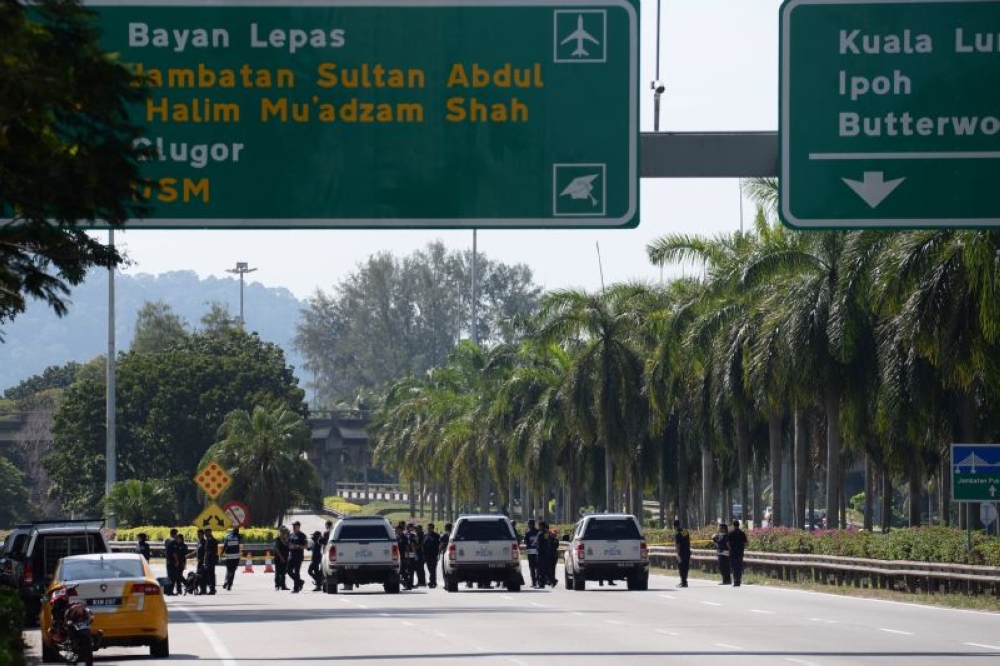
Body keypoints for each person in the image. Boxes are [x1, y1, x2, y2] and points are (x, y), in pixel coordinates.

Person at [287, 521, 307, 593]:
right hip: (292, 555)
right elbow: (288, 543)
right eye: (293, 526)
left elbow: (305, 546)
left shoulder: (302, 535)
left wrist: (297, 546)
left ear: (298, 526)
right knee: (288, 570)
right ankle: (300, 582)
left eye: (295, 526)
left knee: (297, 571)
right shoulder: (291, 535)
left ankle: (296, 588)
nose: (293, 527)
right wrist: (290, 546)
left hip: (298, 556)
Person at [221, 525, 242, 590]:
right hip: (235, 556)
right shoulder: (238, 537)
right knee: (233, 571)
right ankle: (229, 584)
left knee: (228, 570)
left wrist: (221, 554)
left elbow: (224, 546)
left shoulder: (228, 537)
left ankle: (226, 581)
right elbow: (240, 541)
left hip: (228, 556)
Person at [729, 519, 748, 587]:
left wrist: (730, 548)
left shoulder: (731, 533)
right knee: (739, 567)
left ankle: (735, 581)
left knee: (734, 567)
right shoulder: (742, 533)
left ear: (733, 525)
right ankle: (739, 581)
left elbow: (727, 543)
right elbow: (746, 543)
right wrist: (742, 549)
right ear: (739, 525)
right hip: (740, 553)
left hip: (733, 553)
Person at [673, 519, 691, 588]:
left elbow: (678, 545)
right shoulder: (685, 532)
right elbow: (688, 541)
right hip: (687, 552)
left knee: (681, 567)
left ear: (674, 526)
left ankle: (683, 582)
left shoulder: (677, 534)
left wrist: (677, 553)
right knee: (686, 567)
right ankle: (684, 581)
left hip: (682, 553)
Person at [422, 523, 441, 589]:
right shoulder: (425, 536)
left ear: (433, 528)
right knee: (429, 568)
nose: (428, 529)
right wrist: (423, 554)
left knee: (433, 568)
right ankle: (433, 581)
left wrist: (438, 554)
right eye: (428, 528)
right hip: (427, 555)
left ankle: (432, 582)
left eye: (430, 528)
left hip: (434, 555)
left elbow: (439, 545)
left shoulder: (436, 536)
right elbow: (423, 545)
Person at [202, 528, 219, 594]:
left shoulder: (209, 540)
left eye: (206, 533)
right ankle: (212, 589)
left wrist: (205, 561)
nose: (205, 534)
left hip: (209, 559)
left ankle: (212, 589)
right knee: (211, 575)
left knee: (209, 575)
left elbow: (207, 551)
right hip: (213, 559)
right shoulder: (214, 540)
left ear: (209, 532)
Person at [524, 519, 540, 588]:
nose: (528, 525)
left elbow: (525, 542)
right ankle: (535, 581)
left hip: (532, 551)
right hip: (533, 551)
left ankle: (534, 582)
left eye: (529, 524)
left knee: (533, 567)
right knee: (535, 567)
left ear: (531, 524)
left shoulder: (528, 533)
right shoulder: (537, 532)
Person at [164, 529, 179, 595]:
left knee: (169, 576)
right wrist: (177, 561)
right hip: (172, 561)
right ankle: (170, 591)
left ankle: (167, 590)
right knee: (173, 577)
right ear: (175, 534)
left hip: (168, 560)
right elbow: (174, 552)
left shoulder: (167, 540)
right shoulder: (173, 541)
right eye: (176, 534)